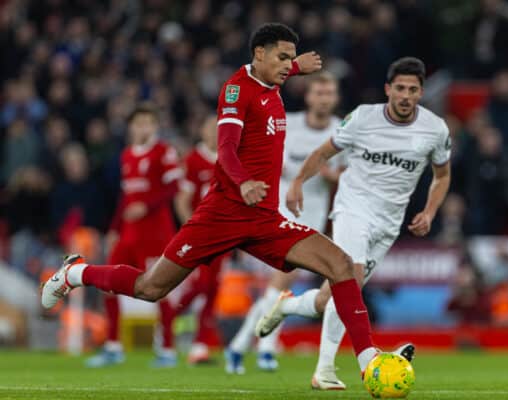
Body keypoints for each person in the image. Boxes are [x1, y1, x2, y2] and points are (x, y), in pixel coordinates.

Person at [42, 23, 385, 382]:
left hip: (265, 218)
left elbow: (278, 71)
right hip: (222, 214)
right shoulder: (236, 90)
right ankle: (75, 272)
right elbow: (224, 149)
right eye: (282, 58)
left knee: (342, 266)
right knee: (150, 288)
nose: (288, 65)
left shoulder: (273, 81)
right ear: (259, 54)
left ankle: (369, 363)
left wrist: (297, 66)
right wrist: (244, 182)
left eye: (290, 59)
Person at [256, 57, 451, 389]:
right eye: (400, 88)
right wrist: (297, 182)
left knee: (327, 299)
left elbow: (442, 175)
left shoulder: (435, 129)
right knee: (352, 280)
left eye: (413, 90)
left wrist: (430, 211)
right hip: (353, 209)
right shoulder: (362, 118)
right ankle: (330, 370)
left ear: (421, 93)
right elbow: (322, 153)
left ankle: (286, 305)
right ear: (388, 89)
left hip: (389, 223)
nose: (406, 95)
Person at [225, 71, 344, 374]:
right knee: (283, 280)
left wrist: (332, 176)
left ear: (335, 98)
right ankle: (266, 348)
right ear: (308, 96)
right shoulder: (286, 123)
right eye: (319, 93)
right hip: (279, 211)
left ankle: (238, 346)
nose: (323, 99)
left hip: (313, 216)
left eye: (329, 93)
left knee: (279, 285)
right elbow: (264, 155)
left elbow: (347, 175)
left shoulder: (340, 130)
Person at [85, 102, 183, 368]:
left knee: (158, 289)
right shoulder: (127, 154)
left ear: (155, 126)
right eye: (138, 123)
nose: (143, 127)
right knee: (108, 284)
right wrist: (114, 229)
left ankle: (167, 350)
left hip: (156, 233)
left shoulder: (164, 151)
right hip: (129, 234)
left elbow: (174, 187)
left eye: (148, 123)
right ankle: (113, 346)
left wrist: (147, 205)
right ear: (131, 127)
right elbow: (126, 197)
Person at [171, 115, 225, 364]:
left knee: (212, 288)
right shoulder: (193, 160)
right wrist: (192, 229)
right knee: (203, 285)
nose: (215, 134)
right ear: (202, 131)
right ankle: (172, 316)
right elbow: (181, 200)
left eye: (219, 129)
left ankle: (200, 344)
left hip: (223, 235)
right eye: (210, 129)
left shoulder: (231, 158)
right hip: (200, 235)